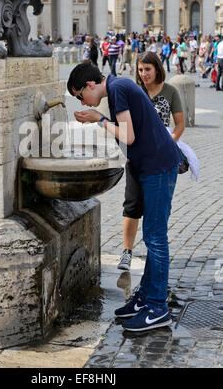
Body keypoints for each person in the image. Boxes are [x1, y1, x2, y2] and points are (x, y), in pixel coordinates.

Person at [67, 61, 182, 332]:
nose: (84, 103)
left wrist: (99, 120)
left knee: (155, 237)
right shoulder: (120, 85)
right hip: (153, 165)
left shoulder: (117, 89)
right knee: (153, 235)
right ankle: (145, 298)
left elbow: (128, 136)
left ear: (90, 85)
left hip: (158, 167)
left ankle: (157, 308)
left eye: (80, 96)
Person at [118, 51, 185, 273]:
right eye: (140, 69)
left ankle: (154, 254)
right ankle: (127, 252)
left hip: (160, 159)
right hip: (137, 157)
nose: (144, 74)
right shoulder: (136, 92)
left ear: (157, 68)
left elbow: (179, 125)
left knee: (157, 210)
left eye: (148, 69)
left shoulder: (170, 91)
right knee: (132, 205)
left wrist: (168, 142)